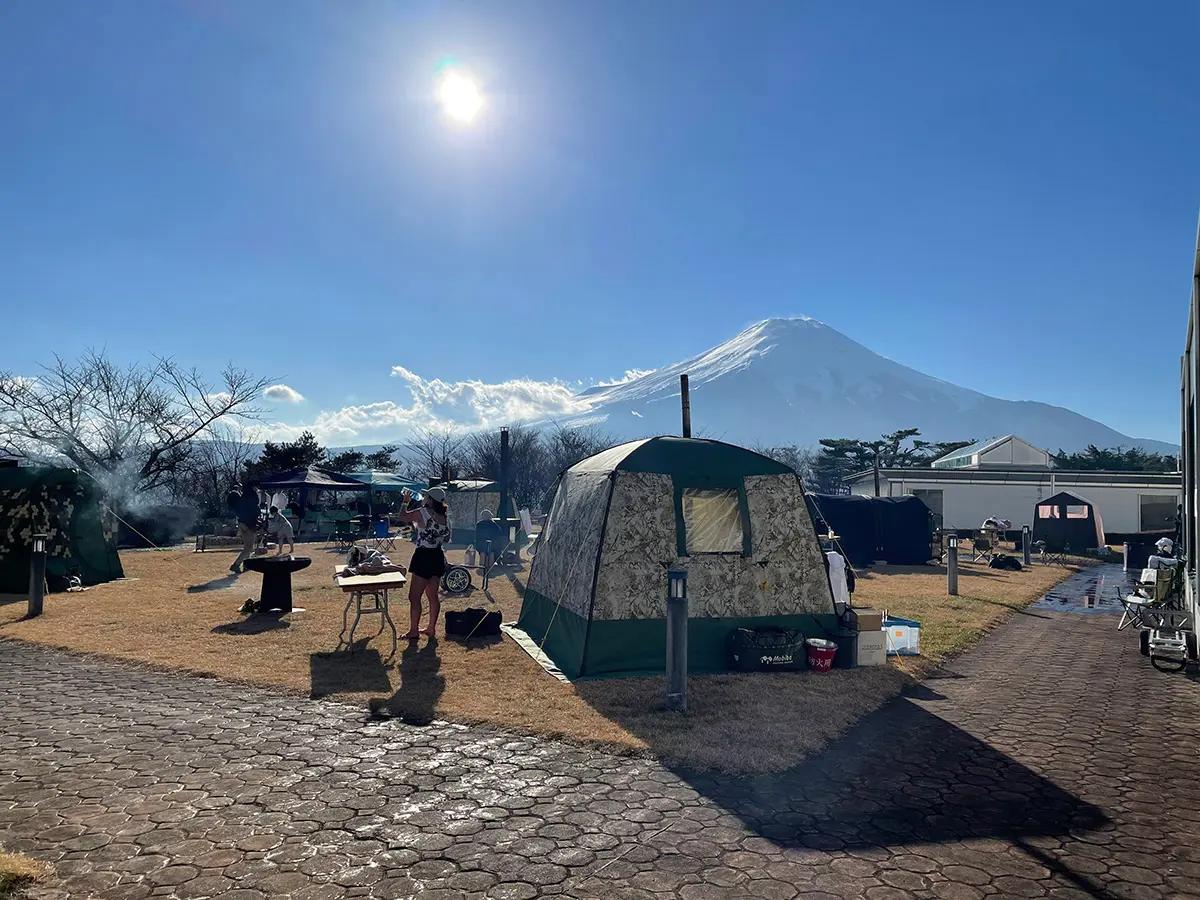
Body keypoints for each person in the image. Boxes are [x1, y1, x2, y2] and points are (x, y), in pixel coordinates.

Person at [395, 486, 451, 638]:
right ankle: (431, 628)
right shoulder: (445, 517)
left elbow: (402, 516)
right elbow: (446, 538)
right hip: (438, 556)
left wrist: (405, 502)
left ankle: (414, 630)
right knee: (433, 596)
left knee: (414, 597)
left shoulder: (423, 512)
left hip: (423, 556)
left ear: (430, 500)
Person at [230, 486, 263, 574]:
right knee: (249, 548)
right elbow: (256, 512)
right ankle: (236, 564)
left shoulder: (242, 499)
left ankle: (246, 565)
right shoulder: (252, 499)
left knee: (247, 547)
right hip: (249, 525)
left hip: (241, 523)